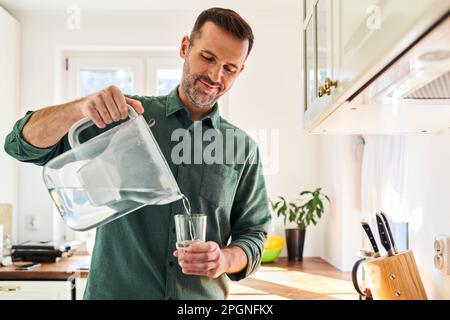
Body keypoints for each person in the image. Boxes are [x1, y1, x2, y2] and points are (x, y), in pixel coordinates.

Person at [4, 7, 271, 299]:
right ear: (185, 47)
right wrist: (80, 108)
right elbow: (20, 144)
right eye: (207, 57)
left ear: (240, 71)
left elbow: (254, 234)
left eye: (229, 68)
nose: (214, 75)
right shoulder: (128, 119)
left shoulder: (241, 149)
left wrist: (224, 259)